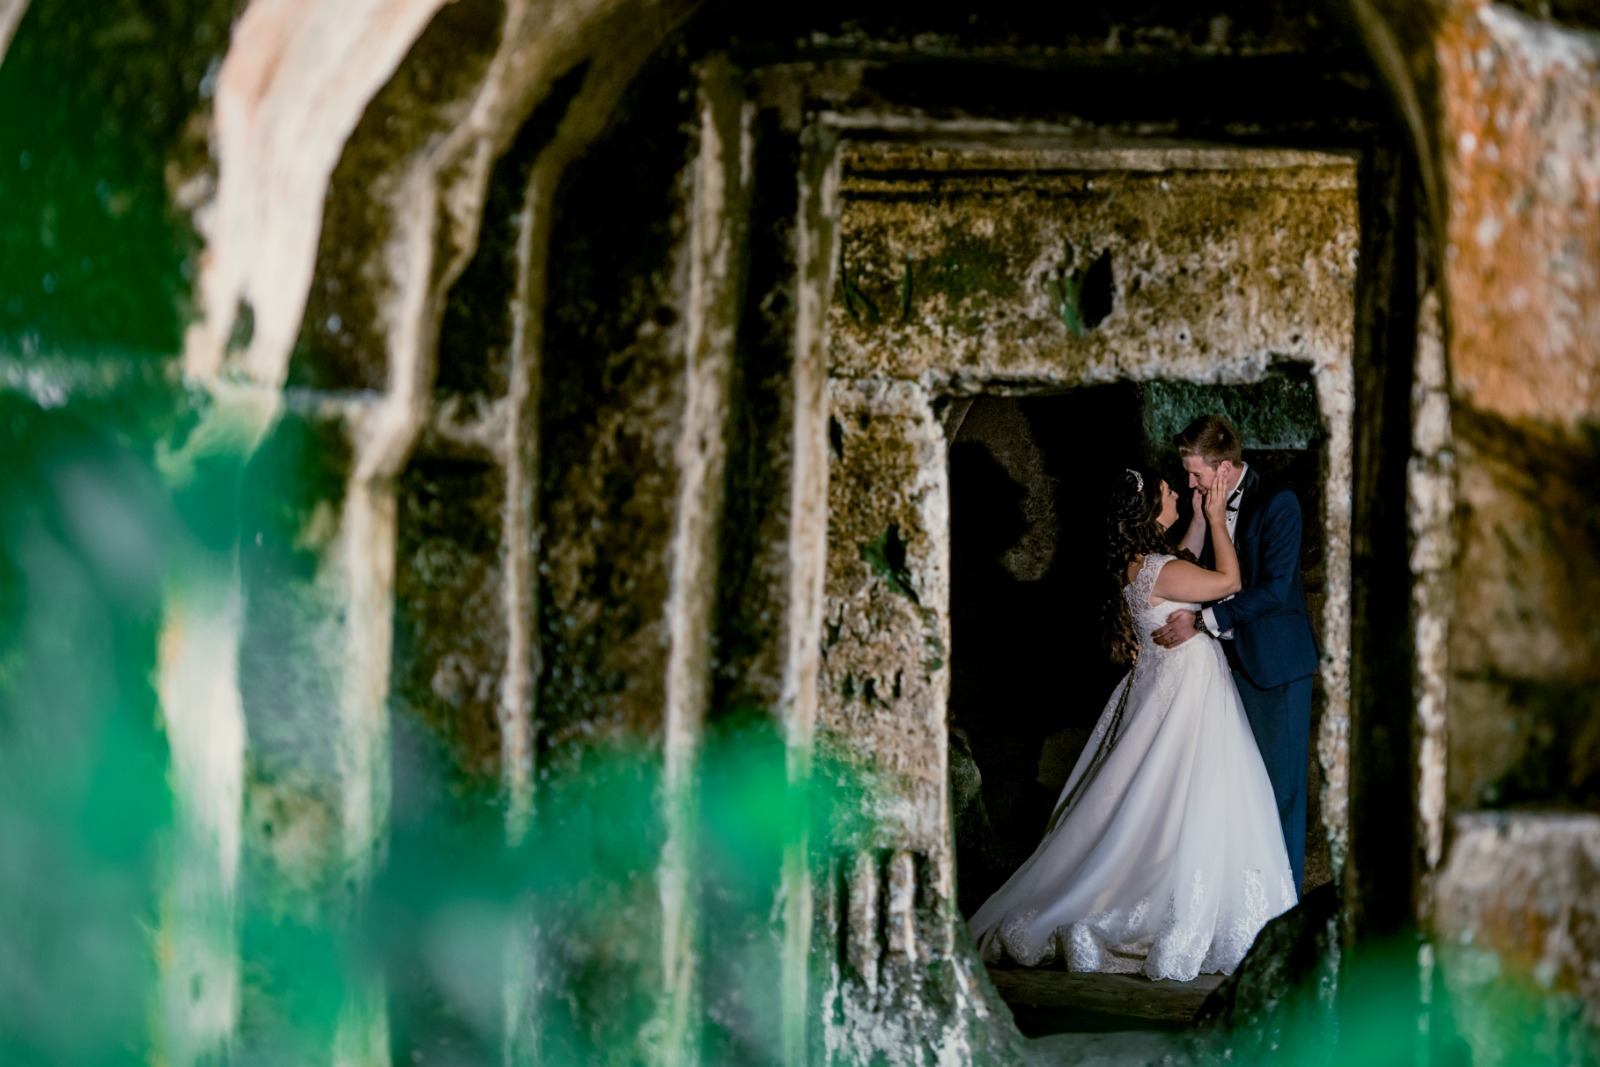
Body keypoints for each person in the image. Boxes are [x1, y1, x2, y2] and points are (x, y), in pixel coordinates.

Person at [968, 467, 1296, 980]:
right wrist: (1215, 519)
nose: (1176, 491)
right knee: (1184, 793)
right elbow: (1229, 582)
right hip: (1187, 693)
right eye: (1167, 491)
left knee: (1158, 792)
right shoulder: (1161, 570)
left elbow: (1179, 560)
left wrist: (1194, 519)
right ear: (1150, 512)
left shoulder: (1140, 564)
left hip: (1169, 686)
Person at [1153, 415, 1320, 892]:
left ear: (1224, 469)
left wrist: (1201, 622)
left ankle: (1285, 904)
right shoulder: (1205, 505)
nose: (1190, 484)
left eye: (1196, 474)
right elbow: (1188, 571)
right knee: (1238, 792)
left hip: (1274, 667)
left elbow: (1272, 589)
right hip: (1224, 669)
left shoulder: (1278, 502)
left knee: (1281, 793)